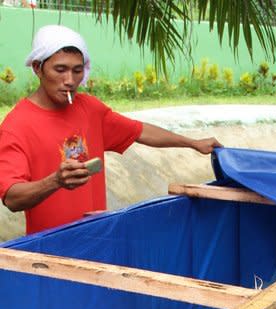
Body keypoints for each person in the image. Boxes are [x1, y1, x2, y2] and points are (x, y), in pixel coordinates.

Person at [0, 24, 223, 234]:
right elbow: (12, 198)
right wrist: (55, 181)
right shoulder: (16, 126)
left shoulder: (89, 109)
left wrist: (193, 143)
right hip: (53, 249)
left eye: (77, 71)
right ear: (38, 68)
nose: (69, 80)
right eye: (60, 70)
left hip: (99, 237)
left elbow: (140, 131)